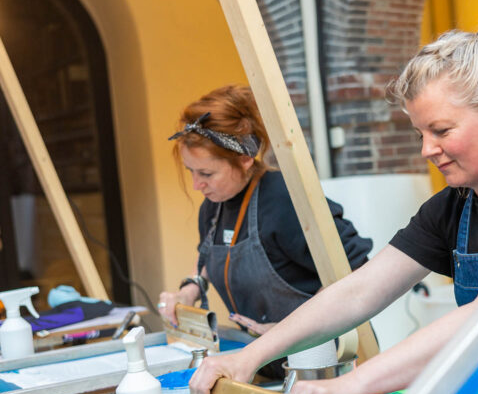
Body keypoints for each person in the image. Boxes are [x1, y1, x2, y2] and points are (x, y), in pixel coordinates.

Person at [189, 17, 478, 394]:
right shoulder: (450, 208)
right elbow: (358, 292)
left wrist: (350, 385)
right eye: (420, 133)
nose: (426, 149)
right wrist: (249, 357)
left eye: (441, 130)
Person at [157, 84, 372, 378]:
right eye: (190, 171)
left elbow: (352, 262)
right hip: (264, 364)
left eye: (206, 173)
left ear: (245, 159)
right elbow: (207, 254)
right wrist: (190, 289)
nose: (197, 185)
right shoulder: (213, 206)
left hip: (316, 367)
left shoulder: (284, 201)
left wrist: (293, 329)